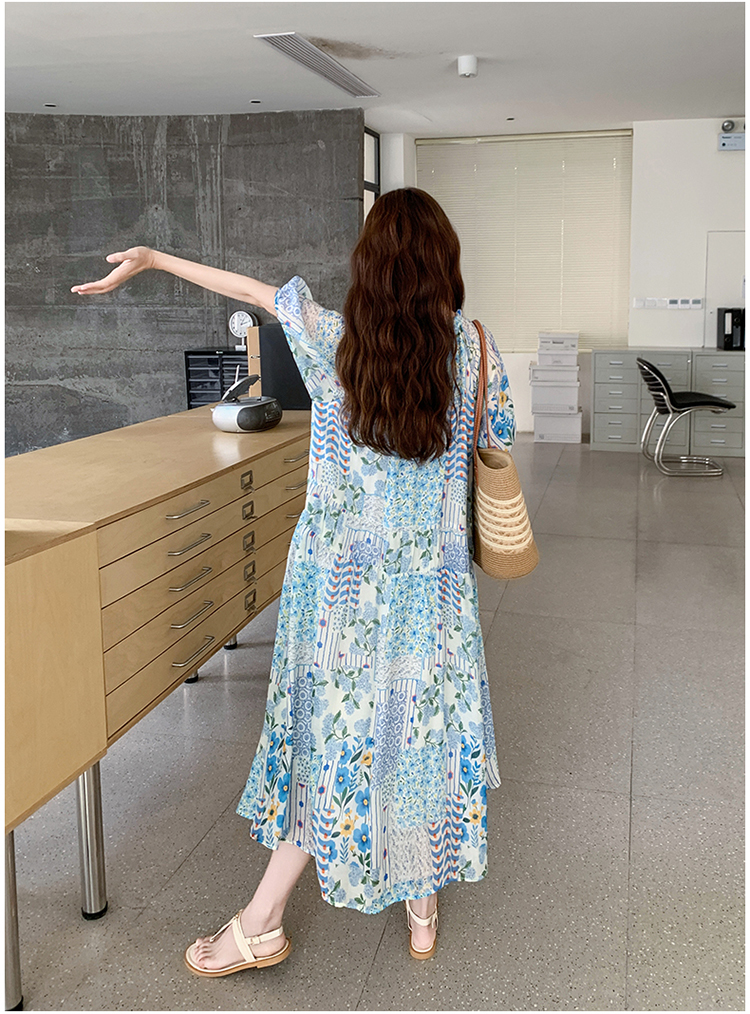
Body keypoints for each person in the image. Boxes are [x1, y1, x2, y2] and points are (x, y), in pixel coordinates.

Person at [72, 186, 515, 975]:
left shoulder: (333, 341)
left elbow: (251, 290)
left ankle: (263, 922)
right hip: (434, 598)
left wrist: (153, 258)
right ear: (444, 263)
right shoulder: (475, 349)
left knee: (330, 747)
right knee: (419, 737)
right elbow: (494, 437)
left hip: (339, 599)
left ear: (369, 266)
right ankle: (420, 907)